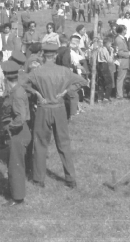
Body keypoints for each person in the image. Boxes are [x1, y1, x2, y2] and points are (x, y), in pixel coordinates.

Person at [24, 43, 88, 188]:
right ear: (56, 55)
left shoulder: (37, 72)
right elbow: (83, 81)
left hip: (43, 109)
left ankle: (38, 179)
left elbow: (22, 83)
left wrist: (37, 93)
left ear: (42, 54)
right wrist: (67, 91)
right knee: (64, 144)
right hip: (59, 109)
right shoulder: (64, 71)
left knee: (40, 144)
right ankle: (71, 179)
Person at [0, 60, 31, 207]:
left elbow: (21, 117)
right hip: (18, 132)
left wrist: (9, 128)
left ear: (5, 76)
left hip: (18, 133)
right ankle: (14, 191)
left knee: (15, 166)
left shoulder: (16, 94)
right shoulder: (15, 90)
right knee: (13, 164)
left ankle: (17, 198)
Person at [114, 25, 130, 99]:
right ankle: (119, 95)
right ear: (122, 30)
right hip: (122, 61)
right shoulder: (119, 40)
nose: (126, 30)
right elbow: (119, 52)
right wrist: (128, 54)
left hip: (124, 61)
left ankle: (120, 93)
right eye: (125, 29)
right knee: (120, 79)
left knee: (121, 78)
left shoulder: (121, 39)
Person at [96, 37, 114, 102]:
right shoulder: (105, 50)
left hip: (99, 65)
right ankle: (106, 97)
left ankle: (99, 98)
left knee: (101, 83)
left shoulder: (99, 49)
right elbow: (110, 61)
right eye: (110, 44)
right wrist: (111, 52)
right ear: (107, 44)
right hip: (104, 65)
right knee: (109, 82)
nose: (111, 45)